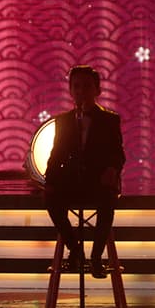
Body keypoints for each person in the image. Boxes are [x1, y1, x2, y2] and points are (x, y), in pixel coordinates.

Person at [44, 65, 125, 278]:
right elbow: (56, 154)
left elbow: (118, 153)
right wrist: (49, 180)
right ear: (71, 90)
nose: (81, 91)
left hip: (98, 180)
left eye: (87, 86)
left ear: (97, 90)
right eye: (76, 86)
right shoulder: (63, 121)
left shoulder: (109, 120)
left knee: (107, 202)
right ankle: (74, 248)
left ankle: (97, 256)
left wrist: (112, 170)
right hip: (73, 180)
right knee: (51, 199)